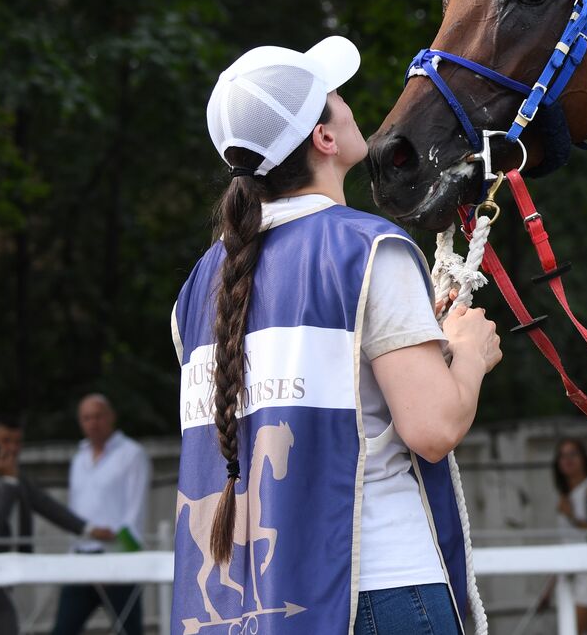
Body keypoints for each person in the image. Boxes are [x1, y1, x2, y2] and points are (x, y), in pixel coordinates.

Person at [171, 37, 502, 635]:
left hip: (250, 610)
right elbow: (433, 429)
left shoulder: (200, 284)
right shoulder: (368, 248)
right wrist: (470, 352)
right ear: (325, 139)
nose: (350, 107)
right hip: (379, 591)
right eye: (335, 98)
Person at [0, 414, 115, 635]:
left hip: (1, 584)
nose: (13, 448)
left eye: (17, 442)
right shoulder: (7, 478)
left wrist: (89, 529)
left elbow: (48, 506)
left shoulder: (15, 476)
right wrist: (9, 483)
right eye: (6, 441)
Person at [51, 394, 151, 635]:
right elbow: (76, 509)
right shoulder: (79, 457)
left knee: (129, 629)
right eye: (86, 418)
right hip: (82, 557)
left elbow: (135, 513)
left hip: (117, 558)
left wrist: (117, 557)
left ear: (111, 417)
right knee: (63, 629)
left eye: (98, 416)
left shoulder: (132, 454)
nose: (92, 423)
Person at [550, 438, 587, 635]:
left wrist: (572, 517)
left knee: (569, 630)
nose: (567, 459)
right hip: (571, 575)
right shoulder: (566, 496)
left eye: (573, 454)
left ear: (584, 458)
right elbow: (566, 544)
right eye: (562, 455)